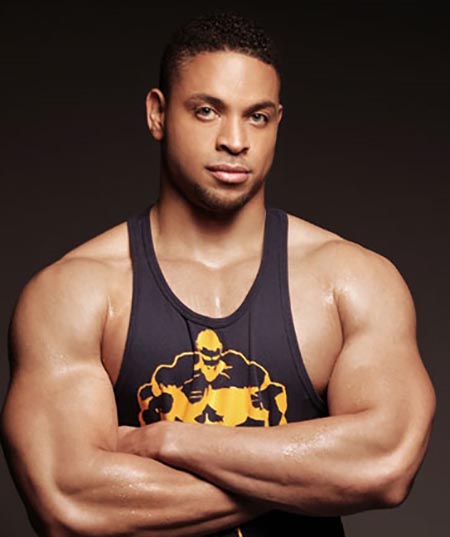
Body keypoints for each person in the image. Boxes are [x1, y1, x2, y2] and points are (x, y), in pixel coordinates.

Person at [1, 11, 436, 537]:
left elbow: (385, 465)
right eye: (207, 111)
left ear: (277, 122)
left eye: (257, 117)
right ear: (158, 114)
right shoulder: (76, 291)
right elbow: (69, 502)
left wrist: (170, 440)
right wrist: (312, 479)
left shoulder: (351, 281)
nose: (235, 140)